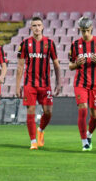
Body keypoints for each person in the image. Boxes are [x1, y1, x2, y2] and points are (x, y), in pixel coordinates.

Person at [16, 16, 63, 150]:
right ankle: (33, 142)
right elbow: (20, 66)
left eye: (38, 25)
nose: (37, 28)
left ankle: (40, 130)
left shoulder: (50, 43)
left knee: (48, 112)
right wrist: (17, 86)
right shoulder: (25, 44)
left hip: (45, 84)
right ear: (31, 28)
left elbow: (56, 65)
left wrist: (58, 83)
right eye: (34, 25)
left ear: (42, 27)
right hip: (29, 83)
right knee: (30, 111)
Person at [69, 16, 96, 151]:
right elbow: (70, 65)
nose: (85, 33)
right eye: (83, 31)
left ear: (91, 28)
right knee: (83, 109)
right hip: (80, 83)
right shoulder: (75, 44)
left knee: (95, 116)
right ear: (79, 30)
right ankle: (84, 142)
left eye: (87, 30)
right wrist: (76, 64)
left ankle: (89, 135)